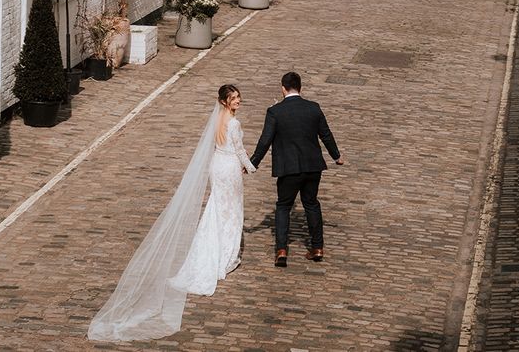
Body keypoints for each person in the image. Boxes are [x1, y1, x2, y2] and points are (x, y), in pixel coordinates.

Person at [88, 84, 256, 342]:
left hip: (216, 166)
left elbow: (214, 148)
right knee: (232, 212)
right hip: (230, 168)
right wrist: (250, 167)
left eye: (238, 98)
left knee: (215, 209)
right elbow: (239, 150)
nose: (238, 101)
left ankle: (213, 248)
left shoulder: (216, 121)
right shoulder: (233, 123)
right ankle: (226, 255)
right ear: (224, 101)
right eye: (234, 99)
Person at [249, 71, 343, 267]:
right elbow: (326, 135)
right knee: (311, 204)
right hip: (312, 167)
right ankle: (317, 247)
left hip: (288, 168)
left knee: (283, 206)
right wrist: (336, 156)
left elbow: (265, 141)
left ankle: (282, 250)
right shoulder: (313, 108)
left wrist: (253, 163)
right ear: (300, 88)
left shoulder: (275, 111)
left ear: (283, 88)